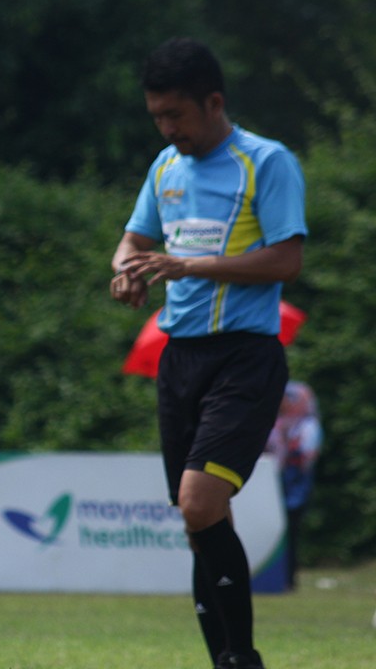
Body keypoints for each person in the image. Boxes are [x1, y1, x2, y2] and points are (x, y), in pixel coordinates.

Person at [110, 38, 307, 669]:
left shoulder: (266, 163)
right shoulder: (165, 168)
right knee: (198, 520)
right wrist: (126, 271)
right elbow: (133, 240)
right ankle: (226, 662)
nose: (168, 130)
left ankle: (242, 659)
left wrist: (184, 264)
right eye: (158, 118)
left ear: (214, 102)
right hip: (180, 359)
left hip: (246, 356)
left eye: (177, 116)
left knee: (200, 503)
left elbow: (286, 258)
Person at [265, 380, 322, 590]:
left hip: (295, 482)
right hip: (271, 481)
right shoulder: (272, 424)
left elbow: (308, 454)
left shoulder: (307, 426)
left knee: (291, 529)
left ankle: (288, 577)